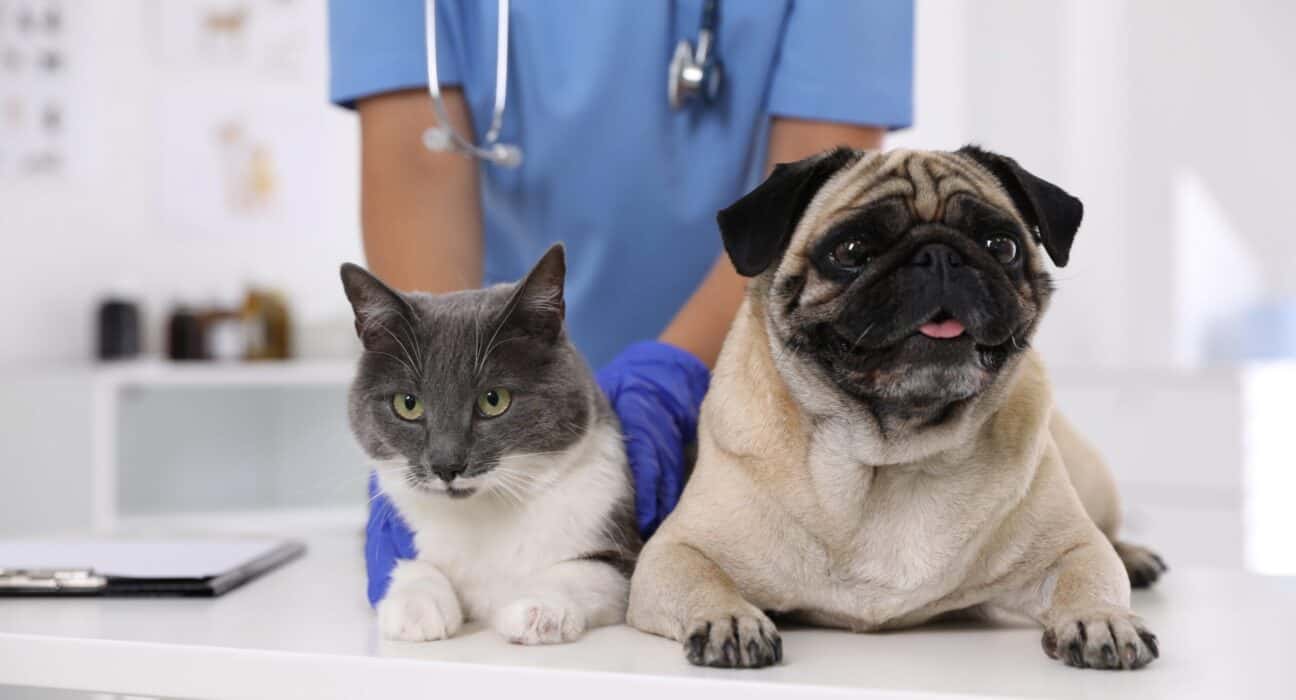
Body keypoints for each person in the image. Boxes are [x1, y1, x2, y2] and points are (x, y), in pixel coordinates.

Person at [328, 0, 914, 605]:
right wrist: (430, 380)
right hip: (500, 438)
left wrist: (668, 381)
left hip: (745, 396)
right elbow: (418, 159)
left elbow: (820, 190)